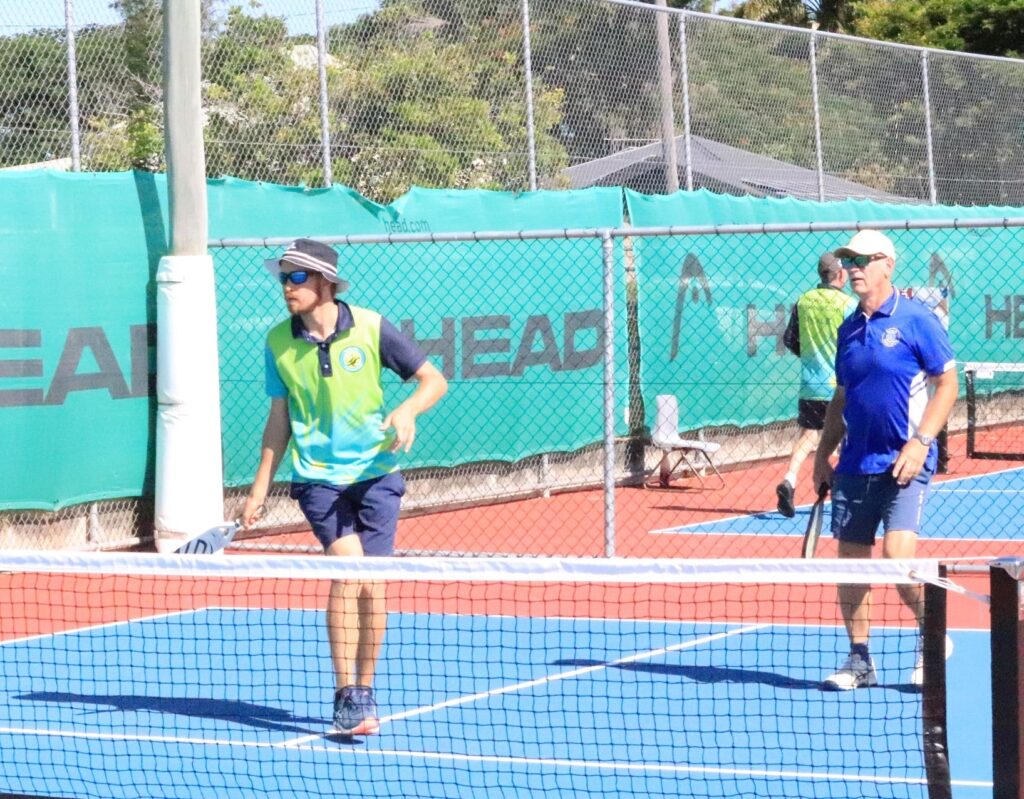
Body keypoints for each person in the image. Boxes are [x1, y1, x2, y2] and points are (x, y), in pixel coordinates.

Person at [242, 238, 448, 733]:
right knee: (348, 572)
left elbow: (433, 381)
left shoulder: (372, 328)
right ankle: (345, 694)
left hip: (377, 476)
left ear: (325, 283)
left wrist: (406, 409)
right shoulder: (277, 342)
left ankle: (366, 689)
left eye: (296, 278)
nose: (286, 287)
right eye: (283, 277)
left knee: (374, 585)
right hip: (318, 480)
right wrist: (259, 486)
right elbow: (279, 418)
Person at [812, 230, 958, 690]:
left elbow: (947, 384)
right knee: (852, 565)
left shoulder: (917, 320)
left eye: (861, 260)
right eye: (848, 260)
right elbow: (842, 396)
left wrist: (920, 442)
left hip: (906, 461)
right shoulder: (848, 329)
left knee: (897, 558)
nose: (852, 267)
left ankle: (931, 638)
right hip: (856, 463)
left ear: (886, 264)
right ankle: (860, 660)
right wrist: (822, 455)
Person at [775, 252, 856, 517]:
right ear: (840, 274)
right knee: (846, 435)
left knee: (808, 436)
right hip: (840, 385)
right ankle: (844, 490)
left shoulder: (804, 301)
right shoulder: (848, 304)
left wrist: (810, 357)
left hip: (810, 384)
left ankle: (789, 478)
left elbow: (790, 340)